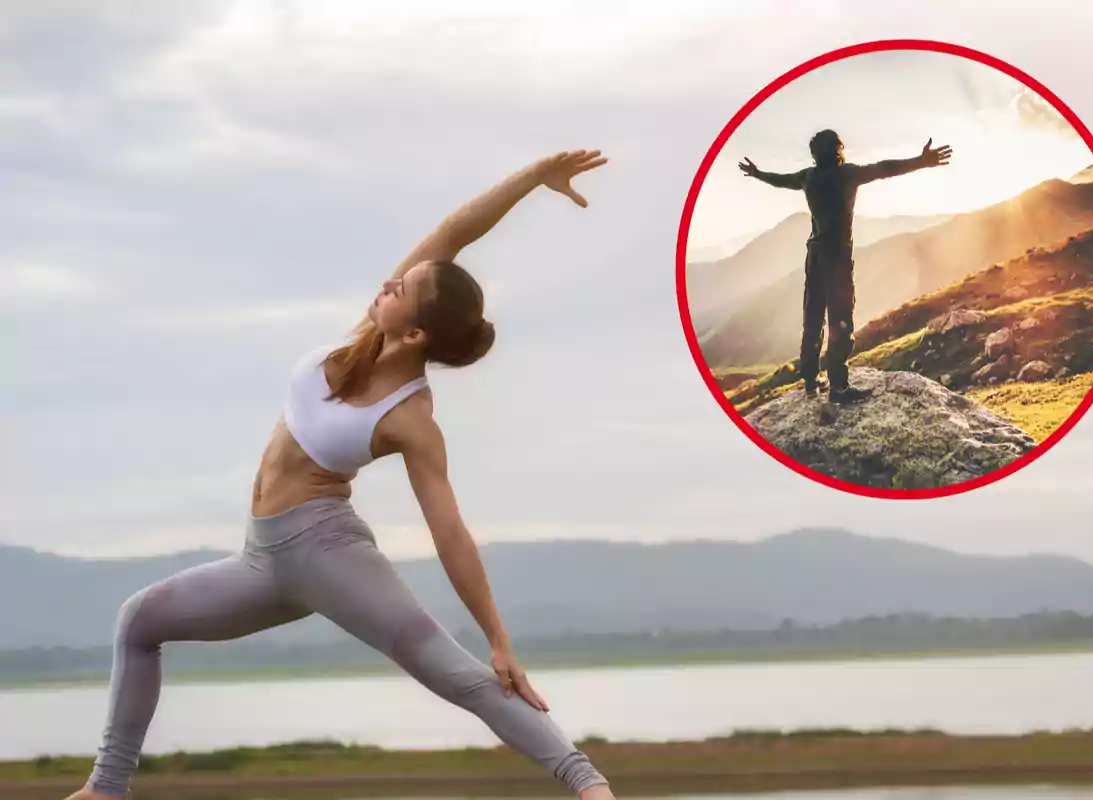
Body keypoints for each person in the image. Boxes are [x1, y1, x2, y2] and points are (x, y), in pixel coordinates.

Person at [66, 150, 615, 800]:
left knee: (454, 673)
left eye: (400, 291)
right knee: (140, 621)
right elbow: (454, 232)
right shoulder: (364, 339)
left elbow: (451, 534)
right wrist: (529, 179)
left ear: (415, 336)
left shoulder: (410, 418)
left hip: (329, 554)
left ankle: (589, 786)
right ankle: (107, 789)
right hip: (260, 560)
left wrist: (499, 639)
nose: (388, 285)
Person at [738, 131, 952, 404]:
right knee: (841, 318)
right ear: (838, 148)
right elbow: (884, 169)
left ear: (815, 154)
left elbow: (781, 181)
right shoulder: (846, 174)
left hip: (813, 254)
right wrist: (921, 162)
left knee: (813, 316)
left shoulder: (808, 177)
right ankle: (838, 387)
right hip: (836, 256)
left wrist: (757, 174)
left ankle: (810, 380)